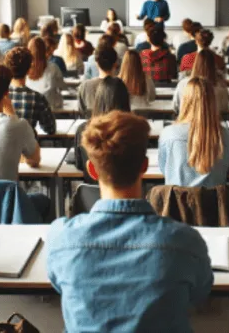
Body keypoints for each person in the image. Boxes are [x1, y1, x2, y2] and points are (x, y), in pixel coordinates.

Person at [48, 110, 213, 332]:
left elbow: (59, 285)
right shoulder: (185, 241)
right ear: (144, 166)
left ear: (92, 170)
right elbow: (200, 293)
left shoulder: (61, 239)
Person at [160, 77, 229, 187]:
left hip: (176, 202)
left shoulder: (167, 134)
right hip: (214, 202)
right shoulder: (227, 137)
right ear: (213, 102)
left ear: (185, 101)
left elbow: (164, 169)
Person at [74, 79, 131, 183]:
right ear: (126, 102)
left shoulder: (82, 130)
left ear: (97, 101)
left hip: (92, 196)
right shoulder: (133, 131)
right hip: (126, 194)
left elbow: (79, 164)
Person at [4, 47, 56, 136]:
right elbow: (50, 129)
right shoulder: (37, 98)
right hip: (28, 148)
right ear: (29, 70)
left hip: (4, 148)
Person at [173, 49, 229, 114]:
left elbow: (176, 108)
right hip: (214, 123)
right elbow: (225, 110)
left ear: (195, 64)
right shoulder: (221, 86)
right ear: (214, 65)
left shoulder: (182, 84)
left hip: (187, 123)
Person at [26, 37, 67, 110]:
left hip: (30, 108)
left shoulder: (24, 69)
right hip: (51, 109)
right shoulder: (54, 67)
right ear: (44, 50)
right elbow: (62, 86)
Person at [78, 47, 120, 113]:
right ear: (115, 64)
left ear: (97, 64)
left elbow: (81, 112)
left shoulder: (84, 86)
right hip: (113, 122)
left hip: (92, 122)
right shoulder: (120, 86)